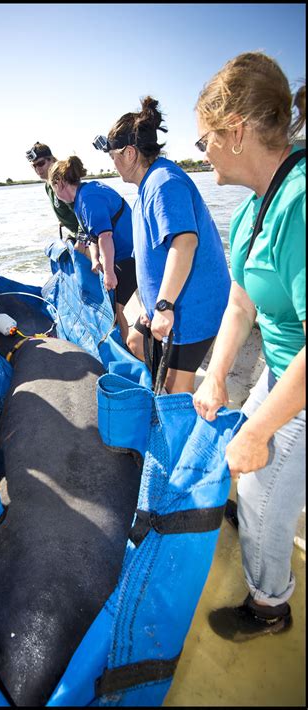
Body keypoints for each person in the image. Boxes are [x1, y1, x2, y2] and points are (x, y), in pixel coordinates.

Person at [193, 52, 305, 641]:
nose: (202, 150)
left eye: (206, 137)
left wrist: (259, 431)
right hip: (278, 368)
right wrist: (214, 375)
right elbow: (241, 305)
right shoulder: (250, 211)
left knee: (262, 501)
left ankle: (269, 609)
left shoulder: (301, 206)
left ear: (236, 131)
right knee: (255, 476)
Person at [95, 96, 231, 394]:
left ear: (129, 153)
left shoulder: (164, 183)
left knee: (174, 389)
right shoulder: (148, 184)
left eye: (113, 156)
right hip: (166, 304)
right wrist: (147, 305)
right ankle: (177, 390)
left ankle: (190, 407)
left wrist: (164, 305)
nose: (113, 164)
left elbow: (184, 242)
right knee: (135, 342)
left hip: (190, 308)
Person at [48, 156, 137, 343]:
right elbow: (94, 237)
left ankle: (128, 349)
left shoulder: (88, 199)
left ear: (61, 183)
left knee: (115, 307)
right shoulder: (83, 196)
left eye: (54, 188)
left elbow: (106, 236)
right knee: (112, 305)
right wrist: (96, 260)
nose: (55, 194)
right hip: (121, 255)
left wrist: (110, 272)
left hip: (131, 257)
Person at [25, 141, 80, 239]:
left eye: (41, 163)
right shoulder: (48, 186)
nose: (37, 169)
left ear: (52, 160)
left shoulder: (64, 182)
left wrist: (82, 238)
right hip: (75, 234)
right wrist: (63, 219)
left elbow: (84, 213)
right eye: (34, 166)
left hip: (87, 235)